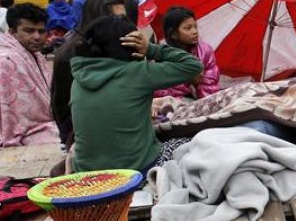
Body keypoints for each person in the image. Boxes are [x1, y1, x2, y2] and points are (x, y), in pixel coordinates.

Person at [70, 15, 203, 173]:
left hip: (86, 172)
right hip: (134, 170)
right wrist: (151, 49)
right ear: (131, 44)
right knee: (192, 141)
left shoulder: (79, 78)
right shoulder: (137, 73)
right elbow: (194, 66)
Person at [51, 0, 126, 149]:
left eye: (124, 19)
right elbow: (63, 110)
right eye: (116, 20)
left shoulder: (115, 45)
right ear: (97, 21)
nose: (123, 26)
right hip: (85, 138)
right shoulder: (70, 55)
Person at [0, 3, 59, 154]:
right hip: (24, 135)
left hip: (42, 125)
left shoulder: (34, 54)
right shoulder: (6, 61)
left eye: (41, 31)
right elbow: (9, 120)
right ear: (12, 32)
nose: (37, 37)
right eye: (29, 31)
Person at [154, 7, 221, 100]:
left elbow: (212, 79)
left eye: (195, 27)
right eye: (188, 28)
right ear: (173, 34)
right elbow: (161, 92)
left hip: (204, 99)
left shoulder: (205, 50)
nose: (195, 32)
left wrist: (199, 82)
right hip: (178, 104)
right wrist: (186, 79)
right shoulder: (163, 57)